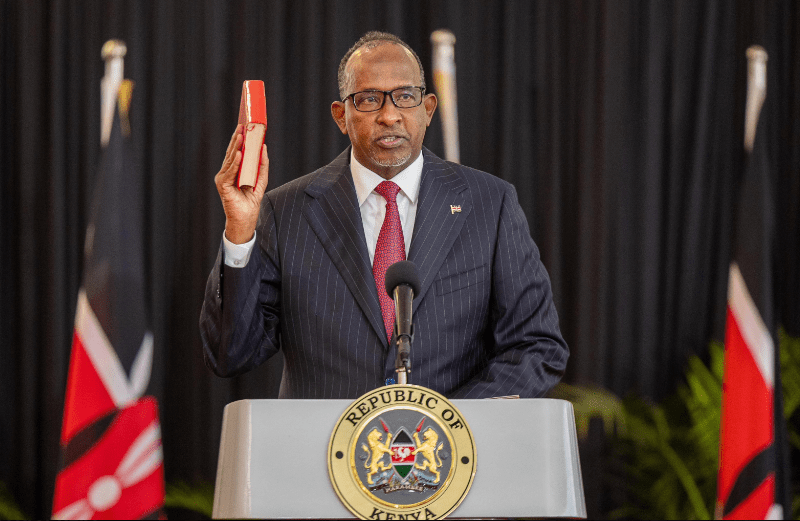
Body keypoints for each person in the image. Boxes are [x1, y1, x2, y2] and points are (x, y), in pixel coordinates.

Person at [200, 31, 568, 399]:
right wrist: (239, 230)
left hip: (447, 452)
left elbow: (537, 347)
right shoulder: (285, 211)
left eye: (405, 97)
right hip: (322, 451)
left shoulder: (490, 204)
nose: (389, 115)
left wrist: (448, 422)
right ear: (341, 116)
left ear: (427, 110)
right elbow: (231, 355)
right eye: (369, 100)